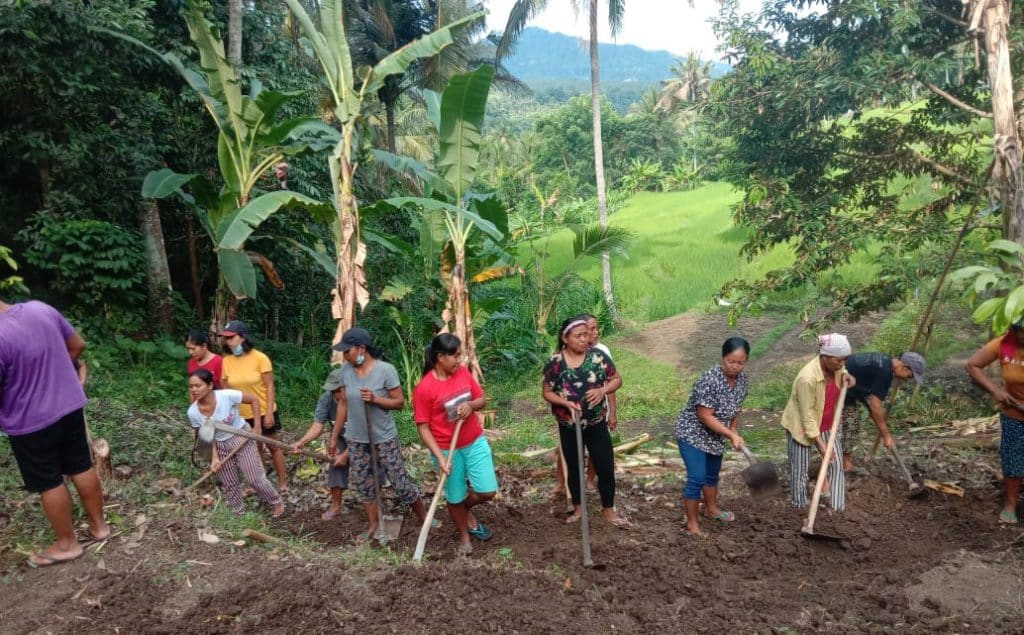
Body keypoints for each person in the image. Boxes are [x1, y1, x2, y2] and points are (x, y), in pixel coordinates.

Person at [0, 299, 110, 566]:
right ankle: (99, 527)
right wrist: (55, 372)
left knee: (48, 480)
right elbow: (77, 345)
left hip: (30, 419)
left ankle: (67, 544)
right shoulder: (40, 309)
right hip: (69, 404)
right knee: (81, 465)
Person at [328, 328, 432, 543]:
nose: (344, 356)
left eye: (347, 351)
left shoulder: (386, 370)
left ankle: (424, 516)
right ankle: (374, 523)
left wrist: (375, 399)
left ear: (361, 349)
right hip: (357, 439)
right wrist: (334, 435)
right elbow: (344, 403)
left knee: (399, 481)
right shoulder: (345, 371)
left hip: (383, 437)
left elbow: (399, 402)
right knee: (364, 484)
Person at [414, 334, 499, 555]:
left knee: (487, 490)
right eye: (456, 355)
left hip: (473, 440)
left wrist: (470, 405)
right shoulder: (425, 388)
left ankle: (465, 508)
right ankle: (464, 537)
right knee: (454, 495)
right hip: (445, 449)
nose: (460, 360)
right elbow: (423, 428)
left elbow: (482, 400)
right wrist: (440, 458)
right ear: (440, 357)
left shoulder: (462, 373)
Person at [542, 317, 630, 528]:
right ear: (565, 338)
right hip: (569, 425)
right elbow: (546, 392)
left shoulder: (598, 358)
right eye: (578, 336)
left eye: (586, 335)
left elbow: (617, 379)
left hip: (596, 422)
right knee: (574, 466)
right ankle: (579, 507)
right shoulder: (555, 364)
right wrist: (565, 402)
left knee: (605, 465)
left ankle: (608, 509)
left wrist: (602, 390)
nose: (584, 339)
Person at [675, 337, 750, 535]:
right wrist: (729, 434)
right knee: (697, 477)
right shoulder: (709, 380)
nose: (735, 367)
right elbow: (705, 416)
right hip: (692, 433)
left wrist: (733, 430)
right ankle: (692, 524)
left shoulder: (742, 380)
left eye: (740, 363)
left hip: (715, 435)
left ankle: (711, 509)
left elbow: (737, 409)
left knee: (711, 476)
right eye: (731, 362)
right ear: (722, 358)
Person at [187, 369, 285, 517]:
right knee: (230, 482)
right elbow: (206, 436)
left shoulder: (226, 396)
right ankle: (238, 512)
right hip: (219, 444)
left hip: (242, 437)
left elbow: (254, 399)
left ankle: (276, 502)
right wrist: (214, 458)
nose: (194, 390)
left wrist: (257, 427)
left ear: (210, 385)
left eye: (198, 386)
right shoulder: (193, 412)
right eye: (191, 386)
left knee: (254, 478)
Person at [780, 333, 855, 511]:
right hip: (802, 428)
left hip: (828, 422)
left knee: (835, 464)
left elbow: (843, 371)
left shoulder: (837, 368)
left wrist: (847, 375)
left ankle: (838, 508)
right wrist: (821, 445)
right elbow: (807, 417)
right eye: (839, 360)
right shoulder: (807, 378)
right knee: (800, 472)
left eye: (845, 360)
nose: (842, 364)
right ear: (825, 357)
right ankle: (798, 508)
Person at [219, 320, 288, 492]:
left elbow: (270, 386)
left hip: (264, 410)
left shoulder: (260, 358)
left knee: (273, 446)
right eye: (226, 338)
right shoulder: (226, 362)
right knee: (254, 449)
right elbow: (226, 389)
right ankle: (260, 481)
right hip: (242, 413)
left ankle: (283, 482)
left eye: (232, 337)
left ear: (242, 337)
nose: (229, 341)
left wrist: (270, 412)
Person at [966, 324, 1024, 524]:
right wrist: (996, 390)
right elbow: (972, 365)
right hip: (1014, 414)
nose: (1022, 337)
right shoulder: (1004, 344)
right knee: (1013, 460)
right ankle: (1010, 505)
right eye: (1019, 332)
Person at [841, 351, 926, 473]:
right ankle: (831, 467)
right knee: (839, 427)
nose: (908, 379)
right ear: (905, 366)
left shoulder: (885, 360)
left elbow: (872, 401)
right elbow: (876, 405)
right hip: (835, 387)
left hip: (847, 390)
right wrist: (886, 435)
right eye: (910, 375)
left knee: (851, 422)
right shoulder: (884, 372)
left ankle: (846, 463)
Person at [292, 368, 350, 521]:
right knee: (335, 463)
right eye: (333, 391)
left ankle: (376, 505)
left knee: (372, 469)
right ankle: (337, 506)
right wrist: (302, 442)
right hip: (342, 437)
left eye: (338, 391)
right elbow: (318, 425)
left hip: (366, 439)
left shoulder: (359, 400)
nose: (335, 395)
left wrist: (347, 454)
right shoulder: (327, 399)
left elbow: (364, 433)